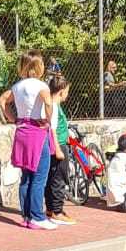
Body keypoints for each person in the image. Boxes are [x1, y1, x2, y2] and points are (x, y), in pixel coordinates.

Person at [0, 52, 59, 231]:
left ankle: (26, 216)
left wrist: (13, 118)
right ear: (39, 66)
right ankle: (37, 217)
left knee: (26, 177)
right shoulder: (41, 86)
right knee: (40, 176)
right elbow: (48, 103)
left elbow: (2, 100)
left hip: (22, 130)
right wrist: (48, 119)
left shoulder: (17, 86)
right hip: (37, 132)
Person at [45, 69, 72, 220]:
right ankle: (57, 210)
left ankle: (50, 209)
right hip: (58, 146)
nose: (67, 94)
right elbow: (53, 129)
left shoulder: (53, 106)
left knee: (51, 177)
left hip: (59, 144)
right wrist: (58, 149)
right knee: (59, 178)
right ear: (61, 92)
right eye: (67, 91)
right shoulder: (54, 107)